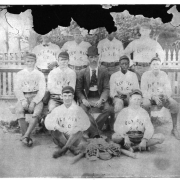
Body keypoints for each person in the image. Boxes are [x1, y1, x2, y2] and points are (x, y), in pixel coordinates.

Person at [76, 46, 113, 138]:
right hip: (87, 97)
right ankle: (97, 132)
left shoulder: (103, 70)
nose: (93, 59)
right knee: (81, 110)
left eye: (95, 57)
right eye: (91, 57)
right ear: (88, 58)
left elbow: (106, 88)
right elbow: (78, 89)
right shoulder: (82, 72)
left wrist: (101, 99)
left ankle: (92, 130)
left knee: (109, 109)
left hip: (99, 95)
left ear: (98, 57)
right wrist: (83, 99)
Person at [45, 86, 90, 158]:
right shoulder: (57, 109)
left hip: (73, 139)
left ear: (73, 97)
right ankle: (71, 148)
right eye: (65, 96)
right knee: (54, 130)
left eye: (69, 96)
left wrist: (76, 128)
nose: (67, 98)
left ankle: (64, 149)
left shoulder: (78, 109)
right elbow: (47, 122)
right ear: (61, 96)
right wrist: (59, 127)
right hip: (61, 138)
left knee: (79, 129)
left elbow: (87, 123)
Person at [141, 57, 180, 140]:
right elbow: (143, 90)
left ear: (160, 66)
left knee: (175, 105)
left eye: (157, 64)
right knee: (145, 104)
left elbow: (168, 89)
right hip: (150, 98)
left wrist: (165, 95)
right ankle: (148, 128)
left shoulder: (164, 75)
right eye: (154, 64)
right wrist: (153, 97)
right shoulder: (145, 75)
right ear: (150, 66)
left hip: (161, 98)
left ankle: (174, 128)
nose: (155, 66)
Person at [14, 53, 46, 147]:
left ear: (35, 62)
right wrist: (23, 100)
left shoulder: (39, 74)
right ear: (25, 62)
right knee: (19, 110)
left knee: (37, 112)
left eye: (32, 61)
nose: (30, 63)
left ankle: (26, 136)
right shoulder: (20, 74)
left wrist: (34, 102)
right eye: (28, 61)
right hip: (24, 96)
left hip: (36, 96)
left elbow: (42, 90)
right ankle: (26, 136)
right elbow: (17, 89)